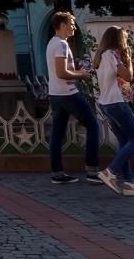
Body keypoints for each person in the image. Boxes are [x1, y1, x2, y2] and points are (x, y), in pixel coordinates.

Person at [46, 11, 102, 185]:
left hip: (55, 93)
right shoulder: (61, 45)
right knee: (93, 125)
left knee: (57, 133)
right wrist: (81, 75)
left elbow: (60, 71)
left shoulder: (52, 43)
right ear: (62, 25)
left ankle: (57, 173)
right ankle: (92, 170)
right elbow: (62, 72)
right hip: (68, 93)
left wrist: (77, 72)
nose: (73, 28)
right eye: (71, 24)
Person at [94, 26, 134, 196]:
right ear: (118, 40)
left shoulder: (101, 56)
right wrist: (130, 59)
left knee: (124, 141)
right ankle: (109, 172)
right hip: (116, 103)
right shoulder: (111, 55)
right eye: (124, 38)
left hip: (106, 103)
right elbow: (128, 76)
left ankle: (129, 183)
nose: (126, 42)